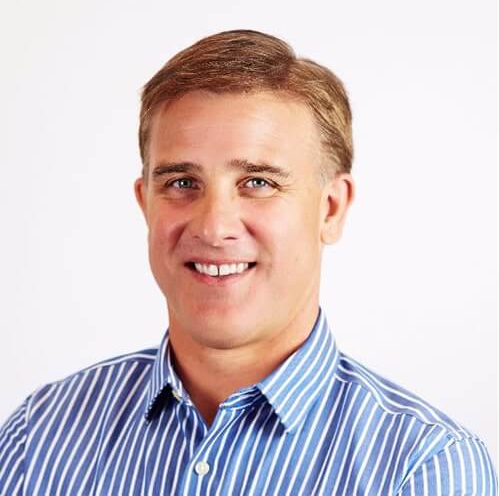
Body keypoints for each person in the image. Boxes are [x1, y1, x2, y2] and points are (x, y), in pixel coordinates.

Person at [0, 29, 496, 496]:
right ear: (145, 203)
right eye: (181, 183)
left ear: (330, 209)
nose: (214, 227)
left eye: (258, 183)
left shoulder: (423, 469)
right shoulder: (37, 439)